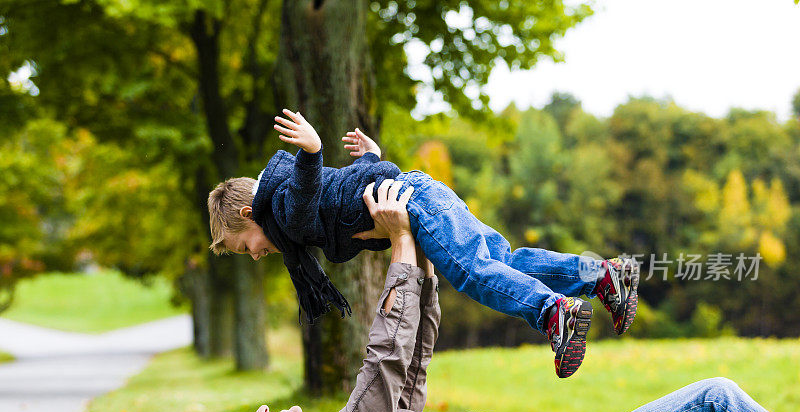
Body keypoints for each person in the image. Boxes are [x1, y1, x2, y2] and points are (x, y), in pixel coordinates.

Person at [205, 184, 800, 412]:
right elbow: (382, 371)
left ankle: (595, 277)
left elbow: (406, 379)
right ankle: (566, 301)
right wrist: (403, 253)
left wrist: (426, 271)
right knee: (714, 403)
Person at [207, 109, 640, 378]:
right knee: (504, 260)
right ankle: (605, 276)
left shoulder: (281, 208)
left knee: (473, 274)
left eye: (247, 247)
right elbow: (342, 190)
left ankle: (552, 314)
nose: (257, 254)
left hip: (418, 205)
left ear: (249, 216)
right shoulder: (284, 210)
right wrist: (372, 158)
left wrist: (312, 151)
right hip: (422, 191)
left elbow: (304, 198)